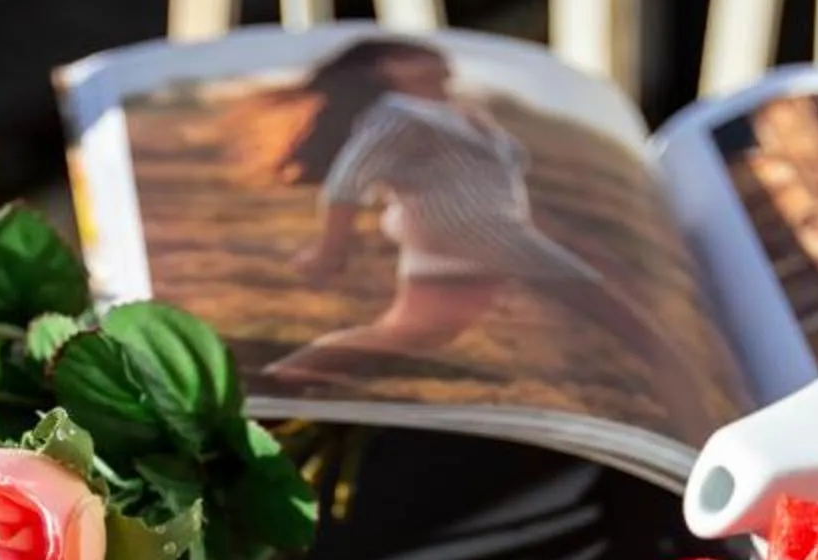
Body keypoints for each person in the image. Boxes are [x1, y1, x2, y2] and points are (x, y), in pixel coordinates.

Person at [257, 37, 707, 428]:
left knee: (407, 333)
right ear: (385, 69)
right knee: (640, 333)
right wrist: (329, 253)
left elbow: (497, 184)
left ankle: (273, 385)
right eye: (414, 56)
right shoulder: (398, 117)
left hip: (481, 239)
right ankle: (694, 421)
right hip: (483, 240)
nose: (433, 60)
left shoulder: (454, 112)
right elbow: (346, 182)